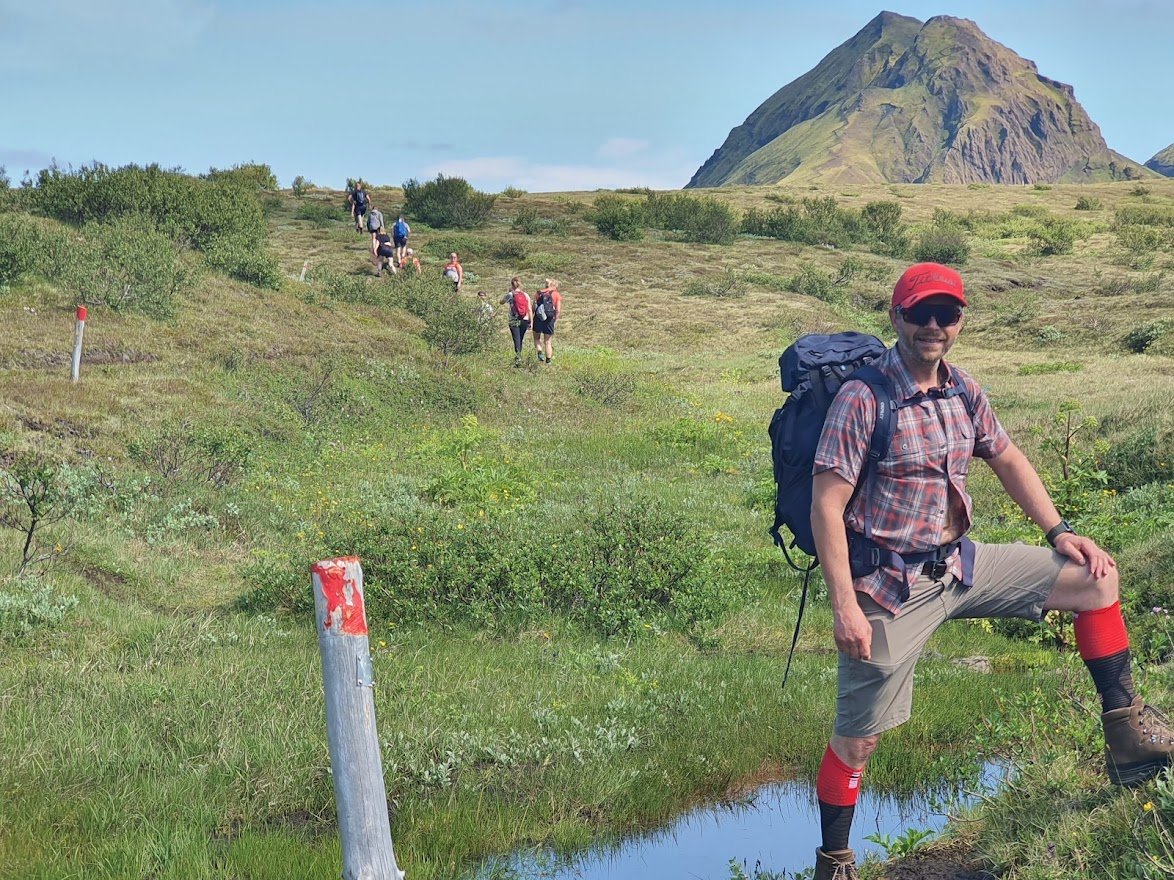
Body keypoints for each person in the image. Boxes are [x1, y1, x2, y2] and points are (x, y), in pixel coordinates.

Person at [806, 262, 1174, 880]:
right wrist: (844, 604)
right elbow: (826, 504)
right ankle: (834, 862)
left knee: (1095, 581)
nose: (932, 326)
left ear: (959, 321)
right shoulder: (863, 399)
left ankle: (1127, 736)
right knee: (858, 740)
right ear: (895, 317)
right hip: (890, 586)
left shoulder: (963, 390)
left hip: (960, 564)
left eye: (945, 314)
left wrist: (1060, 532)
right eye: (919, 313)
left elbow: (1006, 458)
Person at [499, 276, 532, 367]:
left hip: (514, 320)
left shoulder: (510, 294)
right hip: (524, 319)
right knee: (520, 338)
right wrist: (530, 321)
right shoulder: (526, 295)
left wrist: (507, 294)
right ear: (520, 284)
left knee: (516, 339)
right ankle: (519, 356)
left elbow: (501, 302)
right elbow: (529, 309)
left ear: (512, 284)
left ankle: (518, 358)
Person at [531, 278, 561, 365]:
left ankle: (540, 352)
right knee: (548, 341)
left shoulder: (538, 293)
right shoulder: (556, 295)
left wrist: (531, 318)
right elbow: (558, 310)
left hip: (538, 318)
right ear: (554, 285)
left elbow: (533, 307)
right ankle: (548, 361)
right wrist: (555, 319)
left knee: (536, 338)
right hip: (550, 319)